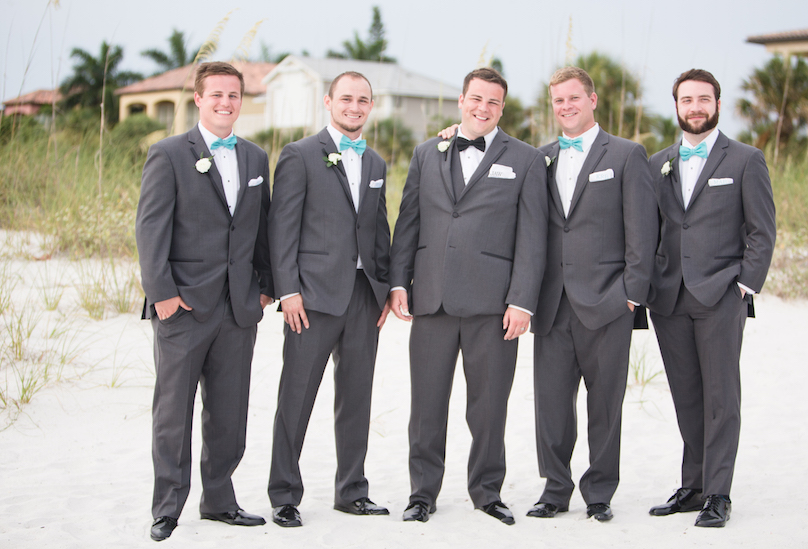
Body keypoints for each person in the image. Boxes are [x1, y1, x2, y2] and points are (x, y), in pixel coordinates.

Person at [389, 68, 548, 525]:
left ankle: (486, 491)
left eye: (494, 102)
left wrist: (522, 301)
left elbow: (532, 238)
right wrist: (399, 283)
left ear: (503, 107)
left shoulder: (527, 159)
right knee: (426, 406)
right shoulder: (426, 152)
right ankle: (422, 493)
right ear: (461, 100)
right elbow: (409, 224)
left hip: (494, 307)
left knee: (489, 405)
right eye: (476, 99)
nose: (483, 108)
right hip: (432, 301)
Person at [136, 61, 274, 542]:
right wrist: (164, 297)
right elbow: (150, 231)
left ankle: (219, 500)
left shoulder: (256, 159)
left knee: (229, 410)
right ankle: (168, 507)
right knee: (173, 410)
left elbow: (262, 229)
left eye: (233, 95)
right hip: (184, 307)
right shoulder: (169, 154)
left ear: (242, 100)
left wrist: (265, 288)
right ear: (198, 98)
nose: (225, 103)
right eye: (216, 94)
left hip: (239, 308)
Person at [647, 68, 776, 528]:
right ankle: (694, 485)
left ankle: (718, 494)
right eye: (687, 100)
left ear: (718, 104)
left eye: (704, 99)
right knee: (686, 396)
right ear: (676, 106)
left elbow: (762, 230)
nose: (695, 107)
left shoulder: (745, 160)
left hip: (721, 294)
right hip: (669, 297)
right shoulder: (657, 162)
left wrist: (744, 285)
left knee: (721, 396)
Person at [527, 67, 656, 522]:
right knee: (552, 404)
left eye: (573, 98)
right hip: (551, 304)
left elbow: (644, 232)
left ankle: (599, 492)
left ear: (593, 99)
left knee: (605, 404)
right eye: (558, 100)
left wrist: (630, 295)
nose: (566, 107)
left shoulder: (626, 155)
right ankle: (555, 488)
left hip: (607, 302)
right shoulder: (537, 159)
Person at [266, 71, 391, 528]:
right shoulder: (299, 155)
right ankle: (284, 494)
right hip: (312, 298)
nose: (354, 107)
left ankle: (352, 490)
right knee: (296, 396)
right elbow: (282, 229)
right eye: (346, 99)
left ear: (370, 106)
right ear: (328, 101)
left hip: (364, 297)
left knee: (357, 397)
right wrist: (289, 291)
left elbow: (379, 230)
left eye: (363, 100)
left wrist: (388, 287)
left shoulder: (375, 163)